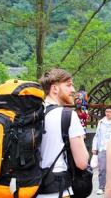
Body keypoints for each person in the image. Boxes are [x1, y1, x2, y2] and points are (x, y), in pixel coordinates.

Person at [38, 68, 89, 198]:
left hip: (31, 188)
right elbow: (82, 163)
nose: (73, 90)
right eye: (68, 85)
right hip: (57, 189)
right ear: (54, 88)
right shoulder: (68, 115)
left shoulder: (34, 114)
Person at [92, 106, 111, 195]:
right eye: (106, 111)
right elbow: (97, 135)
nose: (108, 113)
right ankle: (101, 187)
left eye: (110, 111)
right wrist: (95, 147)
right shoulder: (101, 122)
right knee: (102, 169)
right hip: (103, 148)